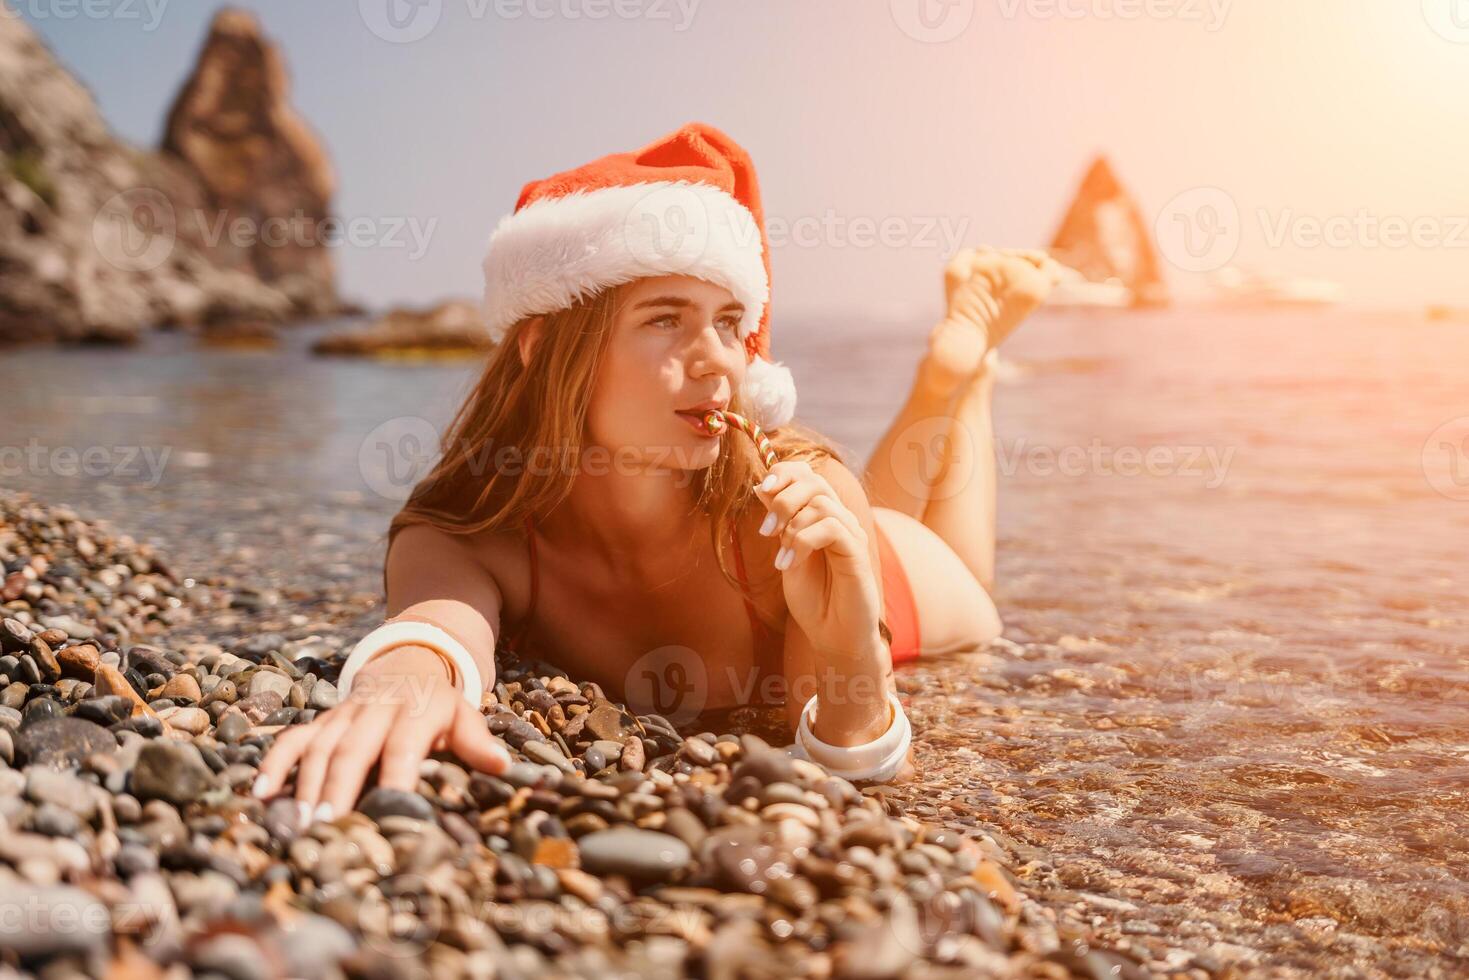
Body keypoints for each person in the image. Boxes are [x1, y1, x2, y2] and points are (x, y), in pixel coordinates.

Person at [253, 122, 1061, 824]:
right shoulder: (471, 525)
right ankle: (954, 378)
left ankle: (964, 379)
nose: (718, 360)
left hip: (902, 589)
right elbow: (432, 630)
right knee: (864, 512)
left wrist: (853, 653)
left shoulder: (779, 496)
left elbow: (856, 773)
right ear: (543, 348)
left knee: (960, 576)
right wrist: (398, 687)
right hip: (836, 540)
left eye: (729, 322)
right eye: (664, 319)